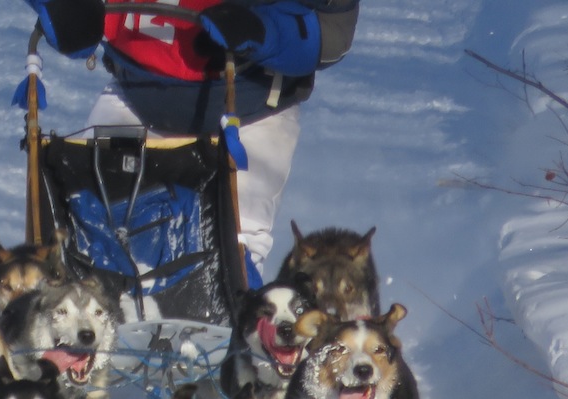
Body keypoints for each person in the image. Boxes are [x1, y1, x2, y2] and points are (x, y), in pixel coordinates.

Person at [22, 0, 360, 279]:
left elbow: (332, 33)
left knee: (233, 254)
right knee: (88, 231)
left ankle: (234, 342)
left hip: (250, 111)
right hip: (137, 93)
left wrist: (266, 32)